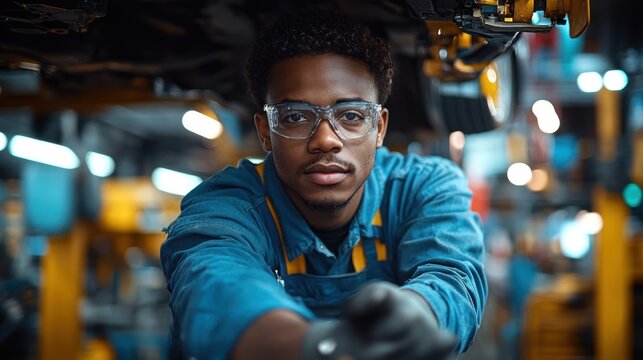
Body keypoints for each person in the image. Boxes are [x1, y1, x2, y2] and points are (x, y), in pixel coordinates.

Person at [160, 8, 487, 360]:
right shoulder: (223, 208)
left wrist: (418, 312)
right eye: (296, 116)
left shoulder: (424, 188)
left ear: (379, 128)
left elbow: (452, 277)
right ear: (265, 132)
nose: (326, 140)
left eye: (350, 115)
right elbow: (215, 284)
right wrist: (321, 347)